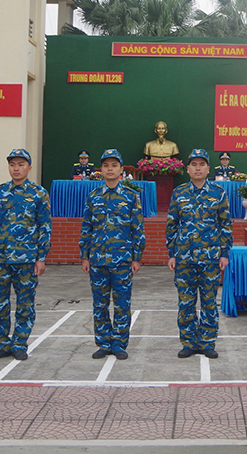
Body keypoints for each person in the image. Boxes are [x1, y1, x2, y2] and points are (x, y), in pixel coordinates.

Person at [0, 149, 52, 361]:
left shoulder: (39, 194)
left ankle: (20, 343)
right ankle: (0, 344)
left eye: (21, 164)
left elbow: (44, 226)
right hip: (0, 258)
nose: (16, 168)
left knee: (25, 304)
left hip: (26, 259)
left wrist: (41, 257)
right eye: (13, 165)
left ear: (29, 167)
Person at [167, 149, 233, 359]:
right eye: (193, 164)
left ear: (207, 168)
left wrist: (224, 253)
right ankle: (188, 342)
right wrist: (172, 253)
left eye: (201, 164)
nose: (197, 168)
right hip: (184, 258)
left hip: (211, 258)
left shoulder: (218, 192)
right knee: (185, 302)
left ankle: (207, 342)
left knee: (209, 302)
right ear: (187, 169)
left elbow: (225, 224)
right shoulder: (179, 192)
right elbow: (171, 225)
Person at [80, 149, 145, 360]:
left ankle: (119, 343)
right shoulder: (93, 196)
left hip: (122, 260)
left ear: (121, 169)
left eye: (114, 165)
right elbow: (87, 228)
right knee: (99, 304)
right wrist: (85, 256)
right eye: (106, 165)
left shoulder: (130, 196)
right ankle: (103, 342)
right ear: (101, 170)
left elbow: (137, 229)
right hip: (98, 259)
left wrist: (137, 257)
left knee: (122, 304)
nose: (110, 169)